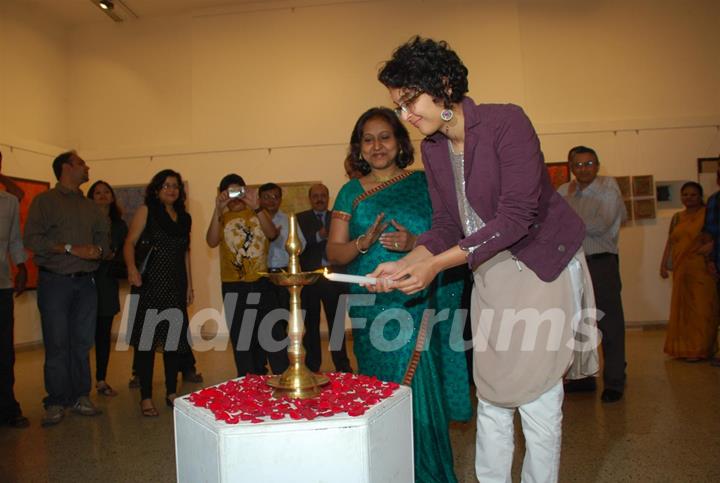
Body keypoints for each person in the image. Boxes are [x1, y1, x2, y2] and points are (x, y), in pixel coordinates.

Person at [370, 37, 596, 482]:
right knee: (491, 397)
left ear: (445, 83)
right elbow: (443, 228)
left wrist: (434, 265)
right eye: (398, 106)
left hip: (541, 265)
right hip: (491, 271)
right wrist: (407, 262)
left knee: (538, 398)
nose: (406, 116)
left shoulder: (506, 123)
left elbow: (516, 217)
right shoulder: (433, 149)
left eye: (410, 100)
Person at [327, 106, 471, 482]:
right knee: (380, 393)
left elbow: (450, 232)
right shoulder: (349, 193)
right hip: (372, 307)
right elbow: (334, 252)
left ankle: (429, 473)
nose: (377, 146)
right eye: (368, 139)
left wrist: (416, 242)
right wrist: (362, 242)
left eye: (385, 137)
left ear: (400, 141)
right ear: (358, 147)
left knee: (423, 387)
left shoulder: (424, 183)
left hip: (418, 300)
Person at [25, 151, 109, 426]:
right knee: (57, 342)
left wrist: (97, 250)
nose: (87, 167)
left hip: (85, 284)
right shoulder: (44, 202)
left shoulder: (90, 208)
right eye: (82, 163)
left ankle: (81, 396)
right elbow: (32, 239)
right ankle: (56, 401)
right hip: (55, 283)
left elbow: (104, 244)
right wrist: (71, 248)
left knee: (82, 343)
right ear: (66, 167)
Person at [558, 145, 627, 403]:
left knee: (609, 323)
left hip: (601, 263)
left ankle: (615, 381)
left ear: (597, 166)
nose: (584, 169)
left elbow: (602, 224)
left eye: (589, 164)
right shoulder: (564, 191)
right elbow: (552, 223)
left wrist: (568, 223)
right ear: (571, 167)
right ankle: (583, 377)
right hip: (572, 264)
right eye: (578, 165)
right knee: (580, 322)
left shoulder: (608, 187)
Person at [124, 169, 193, 417]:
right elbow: (130, 242)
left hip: (175, 284)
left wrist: (189, 285)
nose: (171, 190)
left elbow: (185, 253)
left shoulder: (184, 218)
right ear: (156, 189)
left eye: (175, 186)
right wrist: (132, 269)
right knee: (146, 344)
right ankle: (145, 396)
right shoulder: (147, 212)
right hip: (150, 284)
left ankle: (171, 391)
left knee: (172, 342)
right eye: (166, 186)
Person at [206, 174, 288, 377]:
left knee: (274, 336)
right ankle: (248, 385)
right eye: (229, 192)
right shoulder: (222, 217)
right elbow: (211, 241)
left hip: (262, 282)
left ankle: (283, 380)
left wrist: (257, 207)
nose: (234, 197)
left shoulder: (257, 211)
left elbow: (272, 234)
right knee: (243, 343)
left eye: (238, 191)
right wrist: (218, 209)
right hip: (234, 286)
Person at [660, 182, 719, 360]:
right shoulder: (678, 217)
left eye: (693, 195)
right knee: (683, 310)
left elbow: (713, 236)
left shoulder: (708, 214)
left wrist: (712, 249)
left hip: (703, 268)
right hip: (681, 269)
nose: (689, 198)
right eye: (685, 194)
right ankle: (682, 349)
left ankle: (701, 349)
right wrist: (663, 264)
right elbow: (671, 242)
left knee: (703, 310)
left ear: (700, 196)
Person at [297, 183, 352, 373]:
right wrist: (319, 235)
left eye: (323, 195)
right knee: (310, 326)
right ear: (310, 198)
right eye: (315, 196)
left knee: (336, 325)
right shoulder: (300, 219)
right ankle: (312, 367)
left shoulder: (337, 217)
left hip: (334, 279)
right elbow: (298, 246)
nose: (319, 199)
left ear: (328, 197)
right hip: (310, 280)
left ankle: (342, 366)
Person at [87, 181, 128, 397]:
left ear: (112, 197)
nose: (102, 196)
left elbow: (120, 252)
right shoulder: (83, 222)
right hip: (85, 281)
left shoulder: (119, 225)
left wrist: (107, 255)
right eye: (97, 193)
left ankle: (101, 379)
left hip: (107, 282)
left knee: (103, 335)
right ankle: (81, 384)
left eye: (106, 192)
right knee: (83, 336)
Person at [0, 155, 28, 428]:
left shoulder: (8, 203)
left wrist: (21, 266)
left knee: (5, 352)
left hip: (2, 286)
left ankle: (8, 407)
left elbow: (14, 240)